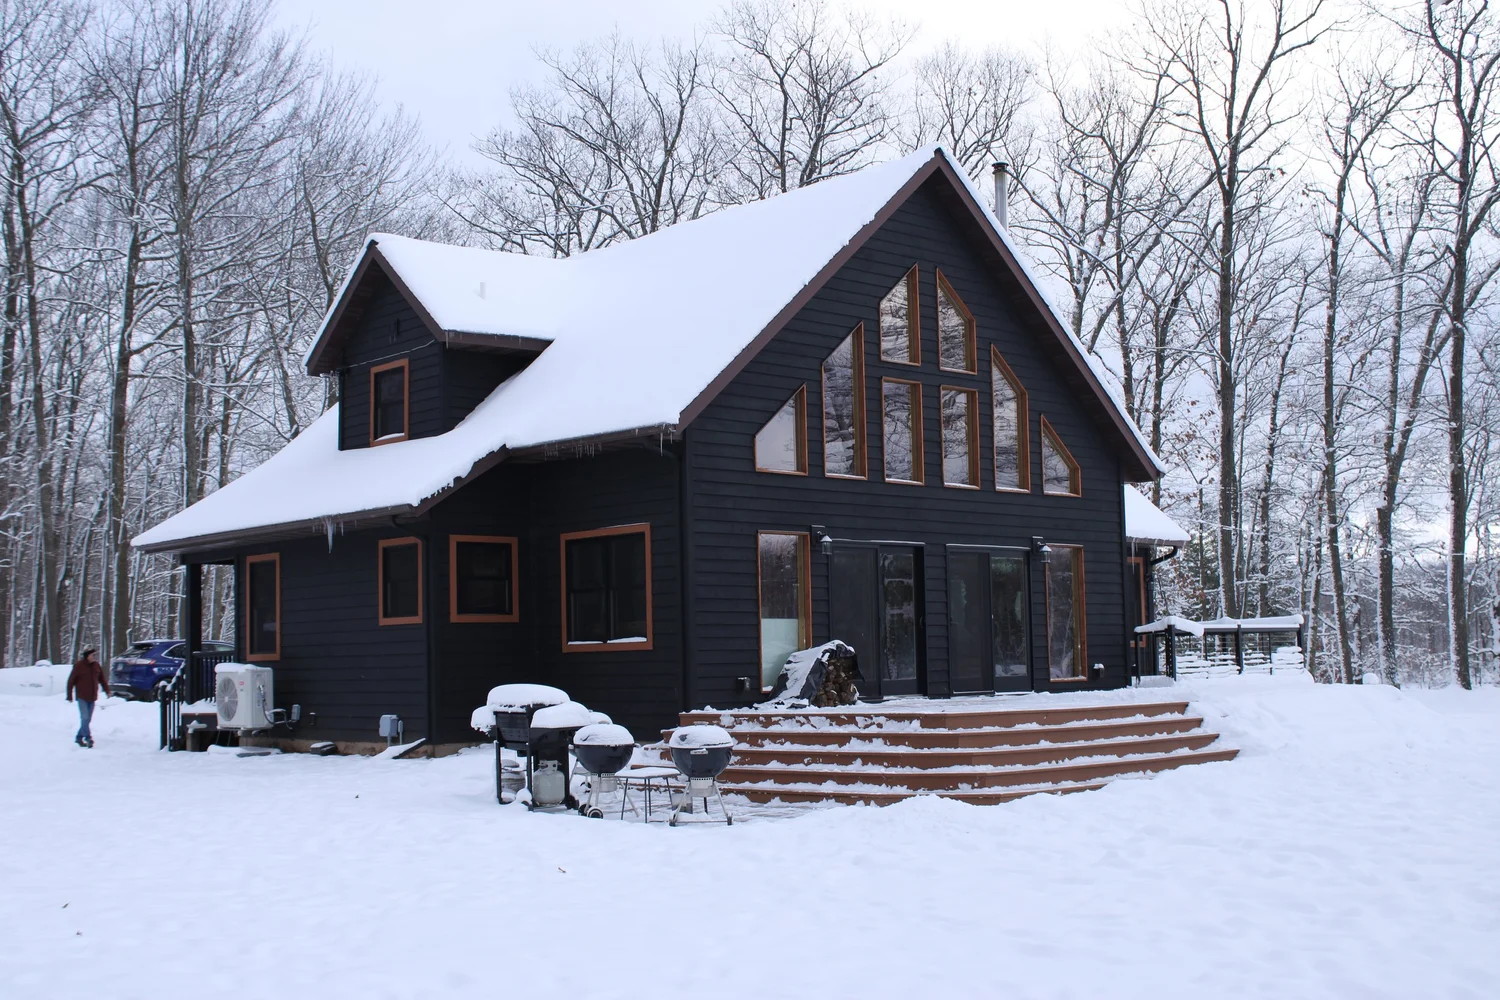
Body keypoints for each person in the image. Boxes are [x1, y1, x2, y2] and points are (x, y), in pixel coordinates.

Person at [66, 649, 110, 748]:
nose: (94, 657)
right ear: (87, 656)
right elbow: (71, 681)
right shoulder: (79, 666)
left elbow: (102, 679)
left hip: (92, 697)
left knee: (87, 719)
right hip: (82, 696)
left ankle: (78, 737)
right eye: (92, 655)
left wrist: (107, 690)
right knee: (85, 718)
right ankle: (88, 738)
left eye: (95, 655)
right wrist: (69, 695)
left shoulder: (96, 666)